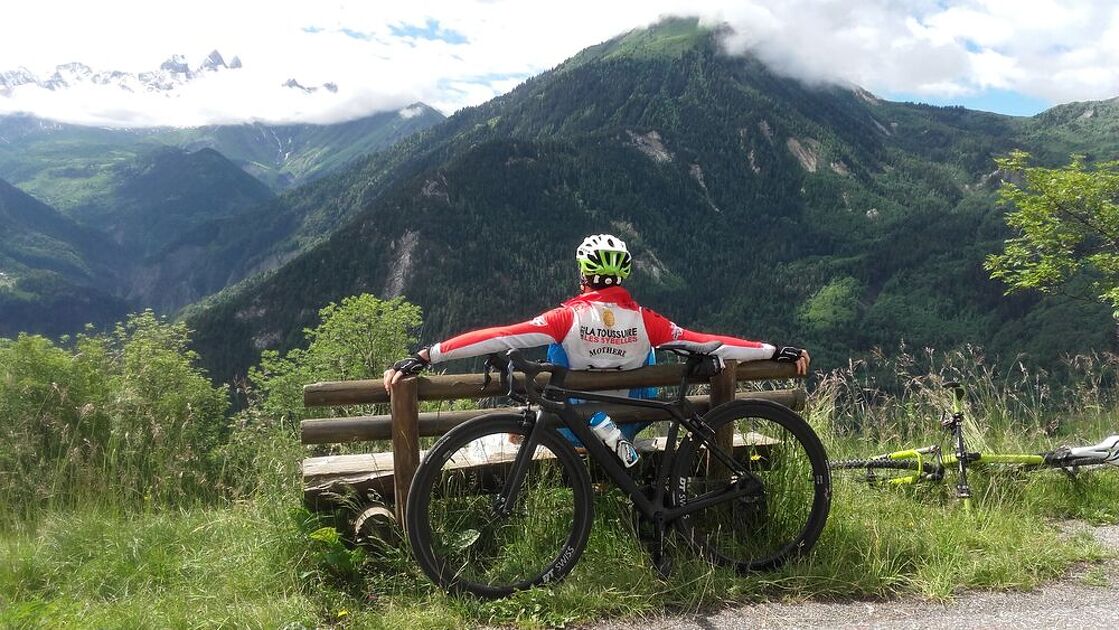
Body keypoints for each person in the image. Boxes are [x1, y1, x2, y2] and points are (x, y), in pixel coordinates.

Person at [383, 234, 810, 398]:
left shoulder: (566, 318)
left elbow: (500, 337)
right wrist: (773, 350)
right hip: (630, 424)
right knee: (659, 351)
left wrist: (428, 355)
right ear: (622, 274)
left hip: (573, 427)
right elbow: (710, 343)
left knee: (550, 348)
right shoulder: (647, 321)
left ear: (585, 275)